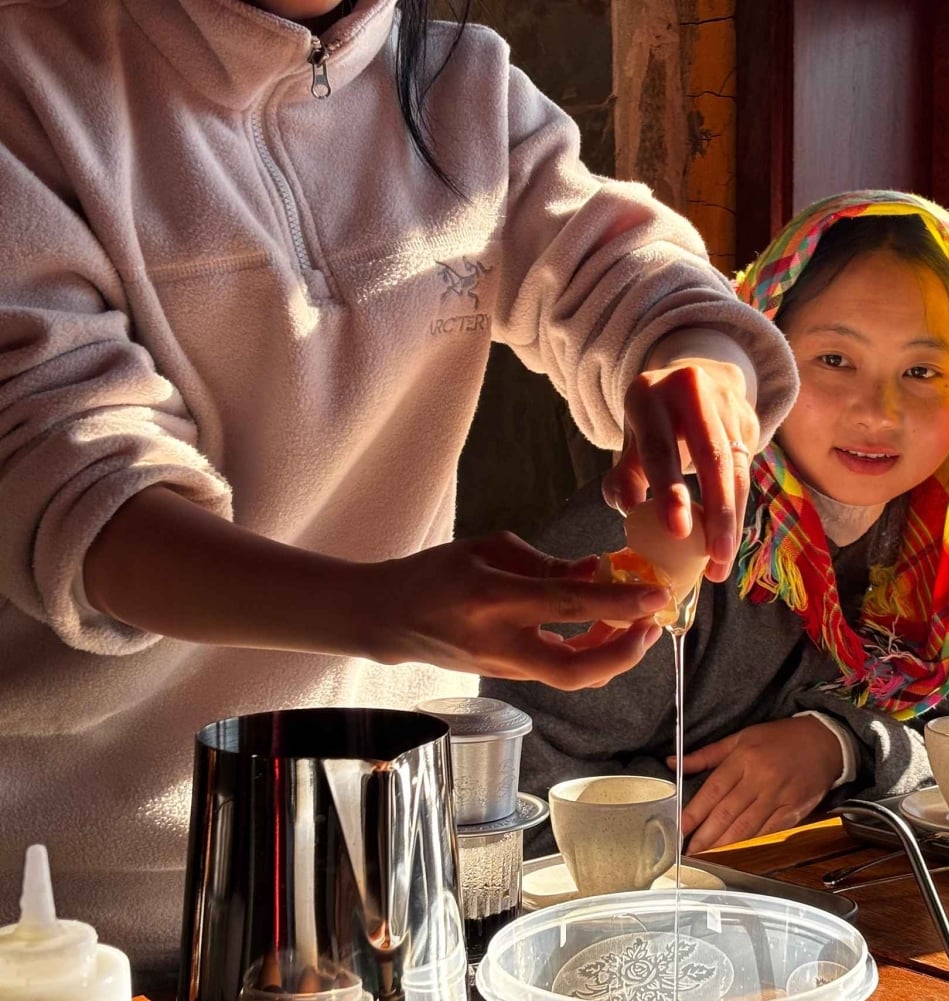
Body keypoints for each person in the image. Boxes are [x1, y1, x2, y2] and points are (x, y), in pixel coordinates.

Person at [0, 0, 799, 976]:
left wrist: (697, 359)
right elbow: (69, 489)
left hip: (396, 877)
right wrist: (381, 607)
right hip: (75, 919)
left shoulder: (460, 87)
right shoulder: (29, 74)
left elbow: (619, 266)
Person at [487, 190, 949, 856]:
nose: (879, 411)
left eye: (922, 371)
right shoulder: (664, 529)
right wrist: (690, 822)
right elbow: (506, 783)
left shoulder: (936, 554)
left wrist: (836, 745)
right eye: (836, 360)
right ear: (764, 352)